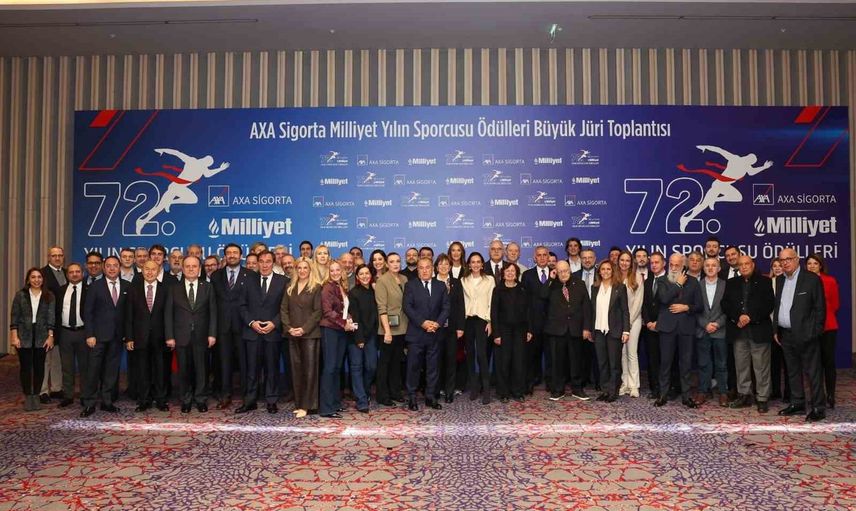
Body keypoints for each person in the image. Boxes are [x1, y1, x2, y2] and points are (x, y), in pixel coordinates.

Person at [774, 247, 826, 421]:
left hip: (807, 334)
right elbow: (778, 306)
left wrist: (815, 331)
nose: (785, 263)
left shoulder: (811, 279)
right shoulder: (780, 279)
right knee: (792, 371)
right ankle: (797, 403)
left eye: (788, 259)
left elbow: (820, 308)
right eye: (782, 260)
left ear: (797, 259)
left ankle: (818, 408)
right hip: (785, 334)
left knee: (813, 372)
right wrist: (775, 329)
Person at [722, 255, 774, 413]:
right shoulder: (731, 283)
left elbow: (769, 304)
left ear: (753, 265)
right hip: (738, 331)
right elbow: (725, 304)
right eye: (741, 264)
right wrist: (737, 317)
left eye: (747, 264)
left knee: (761, 367)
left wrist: (750, 316)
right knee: (741, 366)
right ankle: (744, 395)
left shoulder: (765, 281)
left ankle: (762, 398)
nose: (744, 266)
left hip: (759, 330)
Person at [165, 256, 217, 414]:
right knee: (184, 370)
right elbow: (168, 313)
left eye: (194, 266)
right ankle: (186, 400)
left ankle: (201, 399)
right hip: (181, 336)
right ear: (182, 268)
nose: (191, 269)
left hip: (202, 335)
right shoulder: (174, 288)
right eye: (187, 266)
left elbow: (213, 312)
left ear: (199, 269)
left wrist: (212, 334)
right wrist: (169, 336)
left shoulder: (207, 287)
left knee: (202, 370)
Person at [236, 251, 286, 414]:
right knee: (251, 370)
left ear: (273, 263)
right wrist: (252, 322)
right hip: (252, 332)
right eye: (262, 261)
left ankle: (271, 401)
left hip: (273, 332)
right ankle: (250, 401)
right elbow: (242, 306)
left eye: (268, 261)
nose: (265, 265)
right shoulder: (247, 280)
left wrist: (274, 323)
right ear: (257, 263)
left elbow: (285, 308)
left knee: (272, 369)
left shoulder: (283, 281)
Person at [653, 253, 703, 409]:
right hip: (667, 327)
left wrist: (686, 307)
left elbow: (699, 306)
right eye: (671, 265)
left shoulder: (693, 282)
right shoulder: (662, 280)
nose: (674, 268)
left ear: (683, 266)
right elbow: (664, 299)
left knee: (686, 364)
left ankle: (686, 397)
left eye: (677, 265)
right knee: (665, 363)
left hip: (686, 328)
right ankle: (663, 395)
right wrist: (678, 285)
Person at [81, 256, 129, 417]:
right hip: (97, 338)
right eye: (109, 266)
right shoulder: (95, 287)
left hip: (117, 337)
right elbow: (88, 312)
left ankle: (107, 401)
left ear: (120, 268)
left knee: (111, 371)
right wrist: (90, 334)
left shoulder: (127, 286)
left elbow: (129, 314)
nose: (112, 268)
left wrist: (127, 335)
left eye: (115, 265)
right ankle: (89, 403)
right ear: (103, 267)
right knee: (93, 371)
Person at [210, 243, 253, 410]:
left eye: (235, 252)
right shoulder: (216, 276)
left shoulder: (250, 275)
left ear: (241, 255)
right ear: (225, 256)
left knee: (245, 363)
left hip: (244, 326)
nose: (232, 255)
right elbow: (213, 303)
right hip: (223, 327)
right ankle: (225, 395)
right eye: (229, 253)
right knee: (224, 363)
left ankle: (246, 396)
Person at [403, 257, 450, 411]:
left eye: (427, 267)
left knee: (433, 367)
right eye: (421, 268)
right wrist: (423, 323)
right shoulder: (410, 285)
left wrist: (437, 323)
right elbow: (407, 307)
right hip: (416, 334)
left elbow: (446, 307)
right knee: (413, 367)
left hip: (435, 333)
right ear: (417, 270)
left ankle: (431, 397)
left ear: (433, 269)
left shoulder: (440, 285)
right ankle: (412, 397)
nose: (424, 270)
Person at [543, 261, 592, 401]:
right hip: (557, 330)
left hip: (576, 329)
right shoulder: (552, 285)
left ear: (570, 270)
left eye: (565, 270)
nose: (563, 274)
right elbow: (542, 295)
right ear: (555, 272)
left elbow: (586, 307)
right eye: (560, 271)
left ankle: (577, 389)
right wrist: (550, 279)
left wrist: (586, 327)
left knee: (576, 361)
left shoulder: (580, 283)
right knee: (557, 362)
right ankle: (558, 390)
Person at [124, 260, 169, 412]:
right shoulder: (133, 289)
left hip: (161, 337)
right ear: (142, 271)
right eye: (147, 269)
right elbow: (128, 316)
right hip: (139, 337)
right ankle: (144, 400)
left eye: (153, 269)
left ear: (159, 271)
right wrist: (129, 337)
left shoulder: (166, 289)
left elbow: (169, 315)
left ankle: (161, 400)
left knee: (160, 370)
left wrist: (170, 336)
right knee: (142, 370)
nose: (150, 272)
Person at [281, 257, 322, 418]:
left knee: (310, 371)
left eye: (305, 268)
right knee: (296, 370)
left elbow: (317, 312)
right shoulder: (289, 287)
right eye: (299, 268)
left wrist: (303, 329)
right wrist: (289, 328)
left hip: (309, 334)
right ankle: (299, 404)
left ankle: (308, 406)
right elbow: (283, 309)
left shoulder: (316, 287)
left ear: (310, 270)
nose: (302, 271)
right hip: (292, 334)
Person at [10, 268, 55, 411]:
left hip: (42, 336)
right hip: (24, 336)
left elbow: (51, 317)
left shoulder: (49, 295)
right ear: (28, 280)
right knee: (25, 368)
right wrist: (14, 335)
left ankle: (36, 395)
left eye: (39, 277)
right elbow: (15, 316)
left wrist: (50, 336)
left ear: (43, 279)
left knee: (39, 368)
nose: (36, 280)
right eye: (33, 277)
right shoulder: (21, 295)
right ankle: (28, 396)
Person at [319, 260, 356, 418]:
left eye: (337, 270)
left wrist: (349, 319)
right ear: (328, 272)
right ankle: (326, 408)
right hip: (330, 330)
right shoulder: (327, 288)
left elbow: (343, 310)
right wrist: (343, 323)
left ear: (342, 271)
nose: (335, 273)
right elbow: (328, 312)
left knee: (336, 368)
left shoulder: (341, 286)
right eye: (332, 270)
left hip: (340, 331)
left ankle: (334, 404)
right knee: (329, 368)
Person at [590, 260, 630, 402]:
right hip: (598, 330)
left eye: (608, 269)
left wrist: (626, 331)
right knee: (602, 363)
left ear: (613, 271)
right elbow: (592, 310)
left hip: (614, 330)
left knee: (614, 364)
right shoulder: (594, 287)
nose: (605, 271)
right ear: (599, 272)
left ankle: (613, 392)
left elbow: (625, 310)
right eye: (603, 269)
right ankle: (605, 390)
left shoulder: (620, 287)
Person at [490, 262, 530, 402]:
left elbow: (528, 310)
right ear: (503, 274)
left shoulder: (523, 289)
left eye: (513, 271)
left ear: (517, 274)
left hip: (520, 331)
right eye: (507, 271)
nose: (510, 273)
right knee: (503, 362)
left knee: (519, 362)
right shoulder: (498, 290)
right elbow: (494, 313)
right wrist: (496, 334)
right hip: (503, 331)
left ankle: (518, 392)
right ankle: (504, 393)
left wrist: (529, 330)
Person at [805, 253, 839, 410]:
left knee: (828, 362)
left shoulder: (830, 281)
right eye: (809, 263)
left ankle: (831, 394)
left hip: (828, 327)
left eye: (815, 263)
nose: (812, 266)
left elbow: (835, 304)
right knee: (813, 364)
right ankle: (817, 395)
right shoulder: (803, 282)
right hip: (810, 328)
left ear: (820, 265)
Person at [374, 252, 408, 406]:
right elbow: (381, 308)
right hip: (388, 329)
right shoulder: (382, 281)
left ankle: (395, 392)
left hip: (402, 328)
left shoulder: (404, 279)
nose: (395, 264)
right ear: (387, 264)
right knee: (385, 364)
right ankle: (382, 395)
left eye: (398, 261)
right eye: (392, 261)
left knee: (396, 363)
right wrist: (387, 331)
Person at [461, 251, 495, 404]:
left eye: (478, 262)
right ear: (469, 265)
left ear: (482, 264)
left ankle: (486, 390)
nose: (475, 264)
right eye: (472, 262)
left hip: (482, 320)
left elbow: (491, 302)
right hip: (468, 321)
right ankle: (474, 388)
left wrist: (490, 321)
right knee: (470, 354)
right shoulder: (463, 280)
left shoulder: (489, 280)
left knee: (482, 355)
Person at [694, 257, 728, 407]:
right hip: (703, 330)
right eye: (707, 265)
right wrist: (705, 324)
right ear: (703, 268)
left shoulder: (726, 286)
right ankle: (703, 391)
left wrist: (718, 324)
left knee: (722, 364)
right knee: (703, 363)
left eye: (714, 265)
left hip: (720, 331)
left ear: (719, 268)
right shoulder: (697, 285)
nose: (710, 268)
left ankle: (723, 392)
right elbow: (694, 309)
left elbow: (729, 309)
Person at [521, 246, 552, 395]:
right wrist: (527, 325)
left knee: (552, 356)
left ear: (548, 257)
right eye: (539, 255)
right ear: (535, 257)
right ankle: (530, 383)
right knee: (531, 356)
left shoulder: (555, 274)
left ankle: (552, 384)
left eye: (544, 255)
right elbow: (524, 302)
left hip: (552, 324)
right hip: (533, 323)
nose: (542, 257)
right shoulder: (527, 275)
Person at [347, 264, 379, 413]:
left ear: (370, 275)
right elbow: (355, 317)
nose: (365, 276)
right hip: (356, 336)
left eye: (367, 273)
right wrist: (359, 339)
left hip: (371, 336)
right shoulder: (353, 293)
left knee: (372, 366)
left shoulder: (375, 291)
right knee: (356, 367)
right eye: (361, 274)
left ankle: (363, 392)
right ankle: (361, 400)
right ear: (357, 277)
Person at [56, 263, 88, 408]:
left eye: (77, 271)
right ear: (67, 274)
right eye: (71, 272)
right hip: (65, 333)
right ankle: (68, 395)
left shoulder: (89, 290)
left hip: (84, 332)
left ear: (82, 273)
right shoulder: (60, 291)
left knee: (85, 367)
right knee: (67, 367)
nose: (74, 274)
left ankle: (85, 395)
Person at [434, 254, 465, 403]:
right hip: (435, 328)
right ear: (436, 267)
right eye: (441, 264)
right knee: (436, 360)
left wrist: (460, 327)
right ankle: (436, 389)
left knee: (451, 360)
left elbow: (460, 306)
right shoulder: (431, 282)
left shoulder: (456, 283)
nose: (443, 267)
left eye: (446, 264)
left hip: (452, 328)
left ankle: (449, 391)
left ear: (450, 267)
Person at [40, 246, 66, 403]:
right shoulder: (41, 274)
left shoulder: (68, 272)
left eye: (60, 255)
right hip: (47, 323)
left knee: (58, 358)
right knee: (45, 359)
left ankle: (57, 388)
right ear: (48, 257)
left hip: (64, 323)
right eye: (54, 255)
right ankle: (43, 390)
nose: (57, 258)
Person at [617, 251, 644, 398]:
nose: (624, 263)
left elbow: (638, 302)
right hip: (618, 321)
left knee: (631, 353)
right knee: (622, 353)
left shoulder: (637, 277)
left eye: (627, 260)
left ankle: (634, 385)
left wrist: (628, 323)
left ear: (631, 263)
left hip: (634, 320)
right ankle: (625, 383)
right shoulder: (615, 277)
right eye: (622, 260)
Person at [641, 251, 665, 399]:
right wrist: (648, 321)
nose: (654, 265)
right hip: (649, 327)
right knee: (652, 359)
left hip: (665, 327)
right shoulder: (647, 281)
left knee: (666, 360)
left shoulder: (670, 280)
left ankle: (666, 388)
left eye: (657, 262)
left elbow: (669, 305)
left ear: (664, 263)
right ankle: (654, 388)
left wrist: (659, 322)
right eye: (652, 263)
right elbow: (643, 304)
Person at [573, 248, 598, 390]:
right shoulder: (574, 276)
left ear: (595, 259)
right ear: (580, 260)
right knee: (579, 352)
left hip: (599, 318)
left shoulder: (602, 274)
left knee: (598, 352)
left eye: (590, 257)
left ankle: (598, 381)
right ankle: (581, 379)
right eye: (584, 258)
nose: (587, 260)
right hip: (579, 319)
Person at [768, 258, 790, 402]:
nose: (777, 268)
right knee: (773, 362)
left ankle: (789, 392)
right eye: (774, 266)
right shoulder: (768, 283)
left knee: (788, 362)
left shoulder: (789, 283)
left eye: (780, 265)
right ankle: (775, 391)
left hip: (785, 327)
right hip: (770, 327)